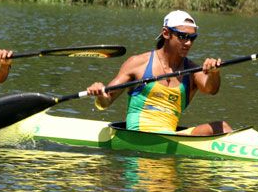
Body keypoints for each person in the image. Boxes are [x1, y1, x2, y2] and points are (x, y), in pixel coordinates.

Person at [86, 10, 232, 136]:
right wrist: (99, 94)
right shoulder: (138, 63)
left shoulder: (191, 71)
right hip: (140, 135)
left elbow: (211, 89)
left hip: (169, 136)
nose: (188, 43)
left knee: (223, 127)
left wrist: (214, 73)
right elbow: (105, 102)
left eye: (192, 38)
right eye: (183, 36)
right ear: (166, 33)